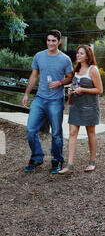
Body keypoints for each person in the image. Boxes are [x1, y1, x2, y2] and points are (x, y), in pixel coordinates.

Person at [22, 30, 73, 173]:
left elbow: (70, 77)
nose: (50, 43)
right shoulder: (39, 56)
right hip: (39, 99)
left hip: (55, 101)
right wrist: (26, 94)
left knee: (56, 133)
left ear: (59, 42)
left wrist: (60, 82)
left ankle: (57, 160)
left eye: (53, 41)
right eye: (48, 40)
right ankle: (37, 157)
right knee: (31, 130)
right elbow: (33, 76)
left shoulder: (65, 59)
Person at [58, 45, 103, 175]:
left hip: (89, 105)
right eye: (78, 53)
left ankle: (92, 162)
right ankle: (70, 165)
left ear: (88, 56)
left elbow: (100, 90)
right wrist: (71, 88)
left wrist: (83, 89)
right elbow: (75, 84)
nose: (78, 55)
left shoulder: (93, 70)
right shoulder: (76, 69)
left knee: (91, 132)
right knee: (72, 132)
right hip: (76, 105)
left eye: (81, 53)